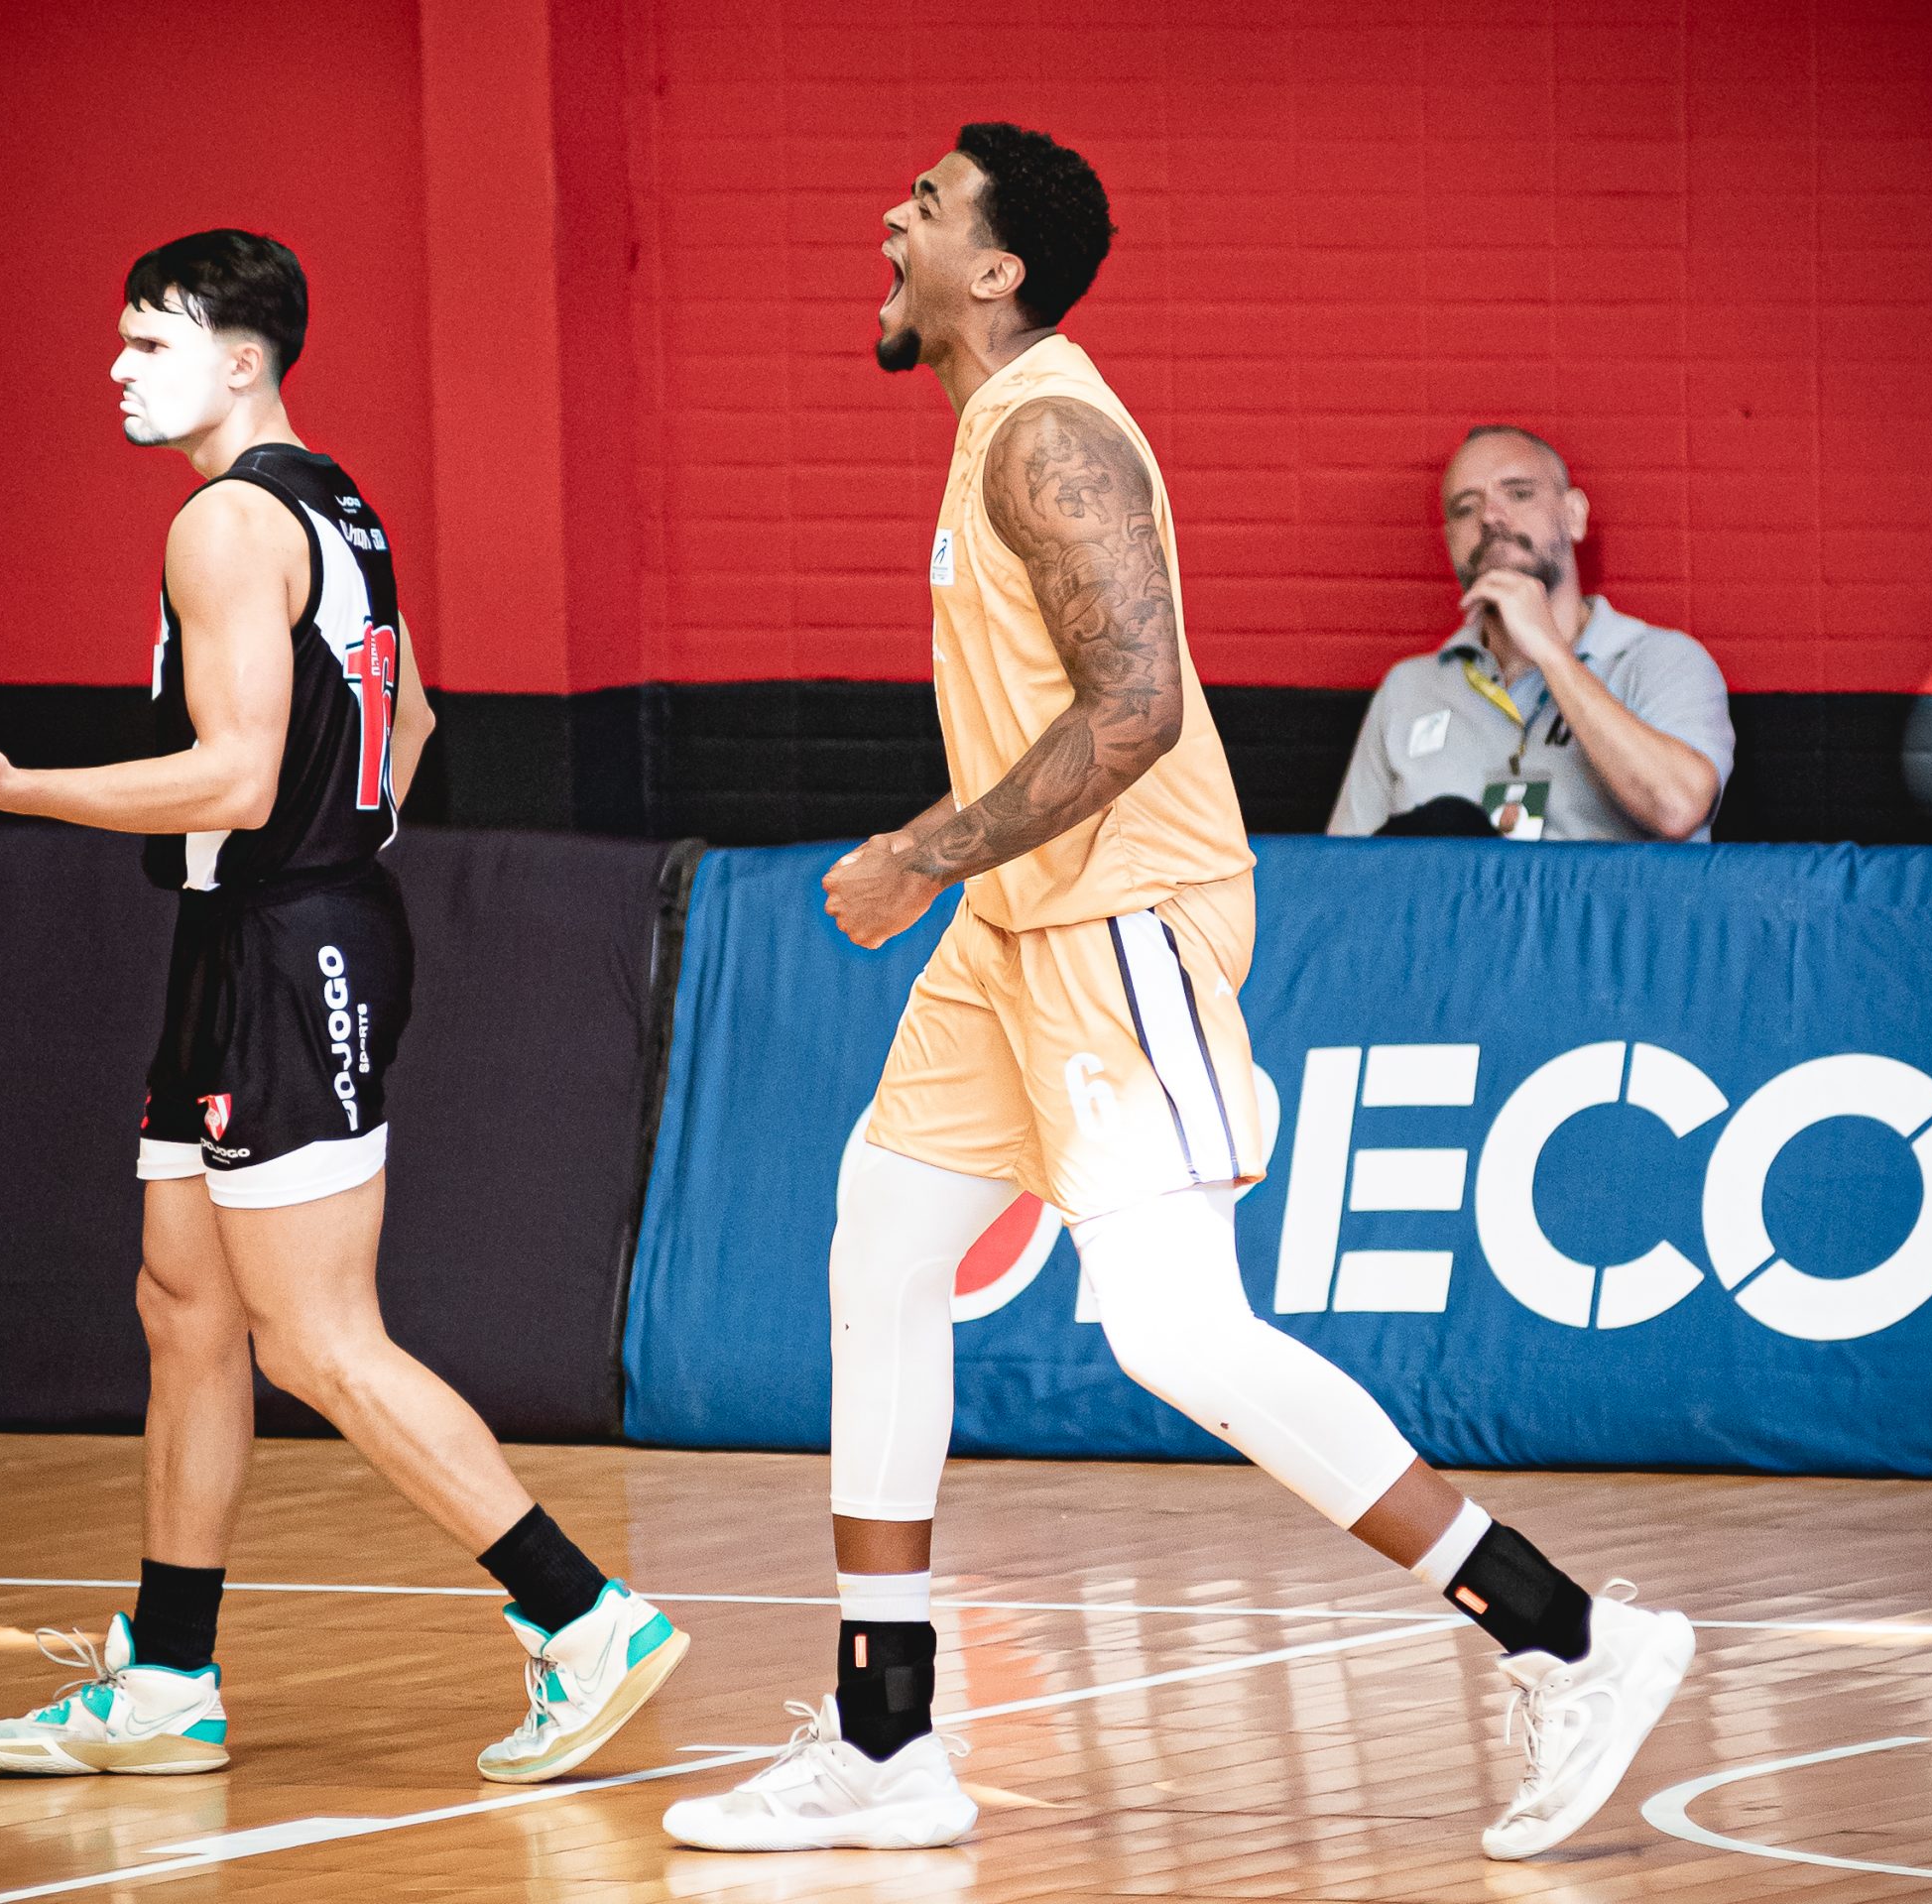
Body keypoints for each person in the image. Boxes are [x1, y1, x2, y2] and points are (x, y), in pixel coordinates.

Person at [660, 128, 1693, 1864]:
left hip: (1119, 917)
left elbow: (1134, 708)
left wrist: (919, 852)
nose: (891, 220)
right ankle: (887, 1739)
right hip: (1017, 922)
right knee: (880, 1253)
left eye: (927, 206)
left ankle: (1570, 1638)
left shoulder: (1052, 433)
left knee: (1173, 1333)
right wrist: (963, 876)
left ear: (995, 270)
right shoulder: (994, 425)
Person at [0, 229, 685, 1782]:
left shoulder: (226, 522)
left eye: (148, 344)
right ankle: (169, 1676)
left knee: (316, 1339)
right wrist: (329, 852)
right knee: (183, 1309)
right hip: (265, 931)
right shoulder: (334, 501)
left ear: (241, 363)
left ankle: (585, 1618)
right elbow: (409, 721)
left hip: (284, 948)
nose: (116, 370)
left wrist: (17, 789)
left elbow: (234, 777)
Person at [1329, 426, 1734, 842]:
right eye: (1466, 508)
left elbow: (1678, 809)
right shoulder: (1410, 688)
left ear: (1574, 516)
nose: (1490, 517)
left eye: (1519, 494)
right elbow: (1343, 867)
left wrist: (1550, 652)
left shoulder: (1661, 660)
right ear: (1450, 542)